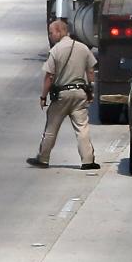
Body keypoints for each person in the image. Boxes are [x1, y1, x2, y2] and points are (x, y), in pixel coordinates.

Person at [27, 20, 100, 170]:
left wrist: (43, 96)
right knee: (82, 127)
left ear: (59, 31)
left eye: (51, 32)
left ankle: (43, 158)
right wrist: (90, 91)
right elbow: (91, 72)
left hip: (62, 95)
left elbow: (49, 77)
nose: (50, 35)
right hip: (80, 94)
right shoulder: (83, 48)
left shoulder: (56, 50)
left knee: (51, 128)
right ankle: (88, 160)